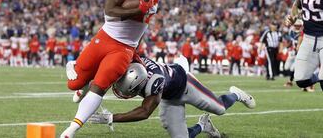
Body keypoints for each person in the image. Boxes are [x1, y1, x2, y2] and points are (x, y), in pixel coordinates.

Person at [60, 0, 164, 138]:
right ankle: (77, 73)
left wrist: (135, 48)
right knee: (73, 85)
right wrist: (138, 7)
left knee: (100, 87)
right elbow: (110, 11)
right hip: (106, 37)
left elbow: (144, 24)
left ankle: (71, 130)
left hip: (124, 48)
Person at [88, 55, 256, 138]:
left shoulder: (154, 81)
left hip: (186, 85)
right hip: (168, 96)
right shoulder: (132, 63)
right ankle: (202, 126)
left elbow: (145, 111)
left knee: (220, 109)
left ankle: (236, 94)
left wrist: (112, 117)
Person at [285, 0, 323, 91]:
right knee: (301, 80)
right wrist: (293, 16)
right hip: (308, 37)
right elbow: (298, 3)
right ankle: (318, 78)